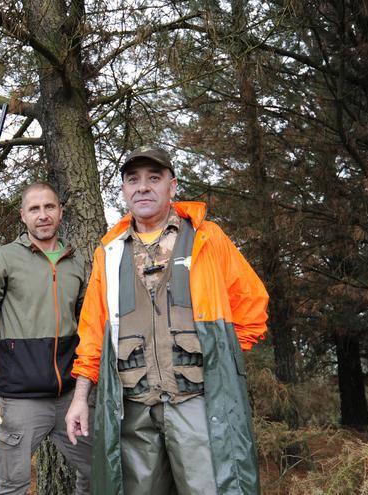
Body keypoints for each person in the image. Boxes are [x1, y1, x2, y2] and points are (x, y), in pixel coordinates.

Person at [65, 146, 269, 494]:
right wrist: (80, 397)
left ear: (172, 187)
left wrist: (219, 362)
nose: (142, 187)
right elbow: (93, 332)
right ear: (124, 191)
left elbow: (252, 307)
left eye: (153, 178)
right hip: (132, 410)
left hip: (195, 402)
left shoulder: (207, 238)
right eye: (133, 180)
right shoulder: (109, 253)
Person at [0, 182, 93, 494]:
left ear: (60, 212)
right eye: (34, 209)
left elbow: (89, 323)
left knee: (100, 474)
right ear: (23, 216)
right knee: (11, 486)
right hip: (21, 400)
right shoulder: (7, 257)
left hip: (70, 397)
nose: (43, 215)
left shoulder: (77, 261)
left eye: (49, 207)